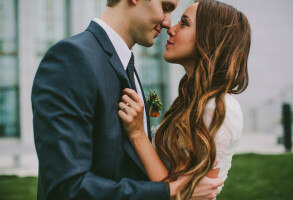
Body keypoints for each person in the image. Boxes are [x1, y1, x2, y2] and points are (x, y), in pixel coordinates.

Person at [31, 0, 224, 199]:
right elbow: (66, 187)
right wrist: (169, 192)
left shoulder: (125, 65)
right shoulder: (71, 58)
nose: (168, 23)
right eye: (165, 7)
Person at [118, 0, 251, 199]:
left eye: (184, 23)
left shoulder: (218, 108)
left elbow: (181, 194)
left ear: (209, 38)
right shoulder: (190, 100)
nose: (170, 29)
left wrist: (137, 133)